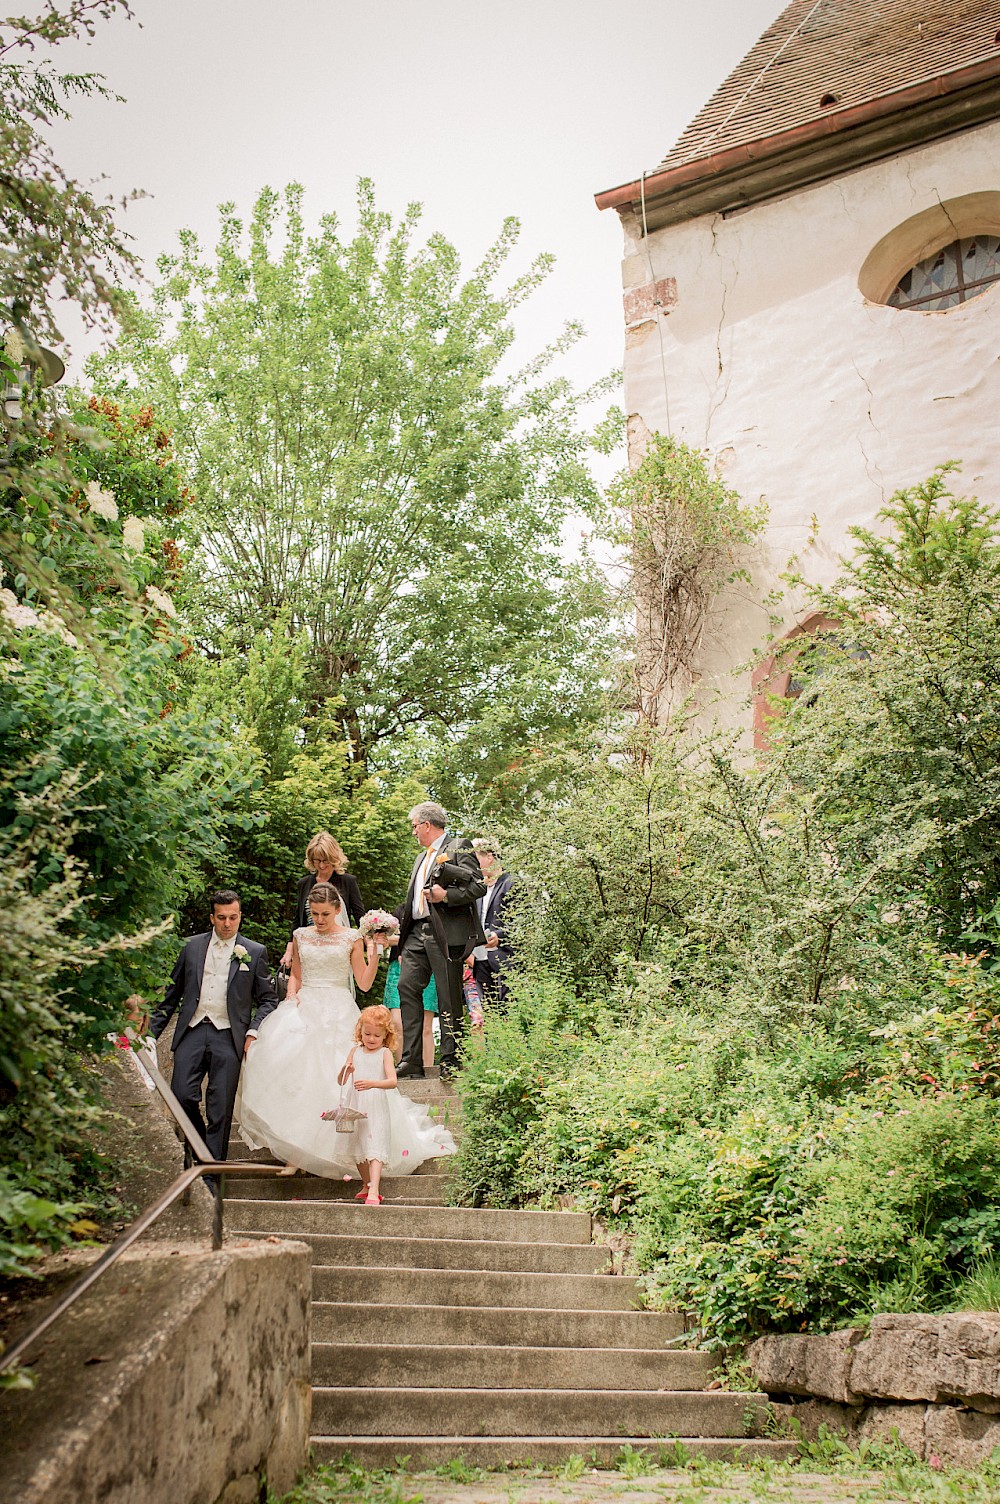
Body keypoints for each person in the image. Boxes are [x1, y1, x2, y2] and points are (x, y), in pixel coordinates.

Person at [238, 882, 381, 1176]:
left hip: (339, 1010)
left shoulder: (351, 938)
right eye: (314, 914)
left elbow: (364, 983)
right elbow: (297, 977)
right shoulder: (301, 936)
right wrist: (292, 998)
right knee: (296, 1076)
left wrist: (374, 952)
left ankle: (336, 1152)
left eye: (325, 914)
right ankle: (296, 1152)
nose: (319, 920)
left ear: (338, 910)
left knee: (334, 1080)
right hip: (305, 1006)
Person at [148, 889, 278, 1163]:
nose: (227, 923)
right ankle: (201, 1154)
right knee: (181, 1096)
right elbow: (170, 996)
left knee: (219, 1110)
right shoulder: (192, 947)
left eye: (233, 917)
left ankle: (211, 1178)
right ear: (212, 918)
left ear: (240, 916)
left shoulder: (254, 952)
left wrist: (253, 1030)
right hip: (192, 1031)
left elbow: (268, 1000)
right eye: (221, 918)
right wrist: (149, 1036)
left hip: (229, 1037)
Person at [395, 801, 486, 1080]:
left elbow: (478, 885)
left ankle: (451, 1058)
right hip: (415, 935)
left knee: (448, 996)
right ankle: (411, 1060)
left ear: (426, 825)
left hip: (444, 934)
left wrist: (445, 896)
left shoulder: (458, 846)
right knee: (406, 986)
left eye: (414, 827)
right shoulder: (420, 858)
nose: (414, 833)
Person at [337, 1005, 455, 1204]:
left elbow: (392, 1081)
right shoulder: (354, 1051)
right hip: (356, 1104)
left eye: (376, 1035)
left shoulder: (383, 1054)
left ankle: (375, 1189)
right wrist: (345, 1071)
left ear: (385, 1036)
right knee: (359, 1146)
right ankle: (366, 1184)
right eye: (367, 1034)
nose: (371, 1039)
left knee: (375, 1146)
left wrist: (372, 1083)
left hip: (376, 1104)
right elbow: (341, 1081)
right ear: (360, 1031)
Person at [279, 831, 364, 970]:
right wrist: (289, 951)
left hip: (337, 950)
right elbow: (297, 921)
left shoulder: (348, 882)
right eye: (317, 861)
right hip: (308, 949)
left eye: (325, 860)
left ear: (334, 858)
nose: (322, 865)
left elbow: (360, 918)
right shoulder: (303, 884)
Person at [471, 838, 517, 1010]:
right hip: (481, 959)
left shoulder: (511, 883)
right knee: (489, 1013)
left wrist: (500, 936)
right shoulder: (477, 888)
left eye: (476, 860)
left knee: (508, 1011)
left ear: (489, 857)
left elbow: (522, 923)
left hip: (505, 958)